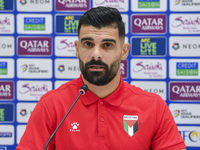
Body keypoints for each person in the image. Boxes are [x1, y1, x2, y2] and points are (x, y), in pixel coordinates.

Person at [16, 6, 187, 150]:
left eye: (107, 45)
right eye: (88, 44)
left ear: (124, 51)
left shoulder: (153, 107)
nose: (96, 55)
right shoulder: (51, 105)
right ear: (77, 49)